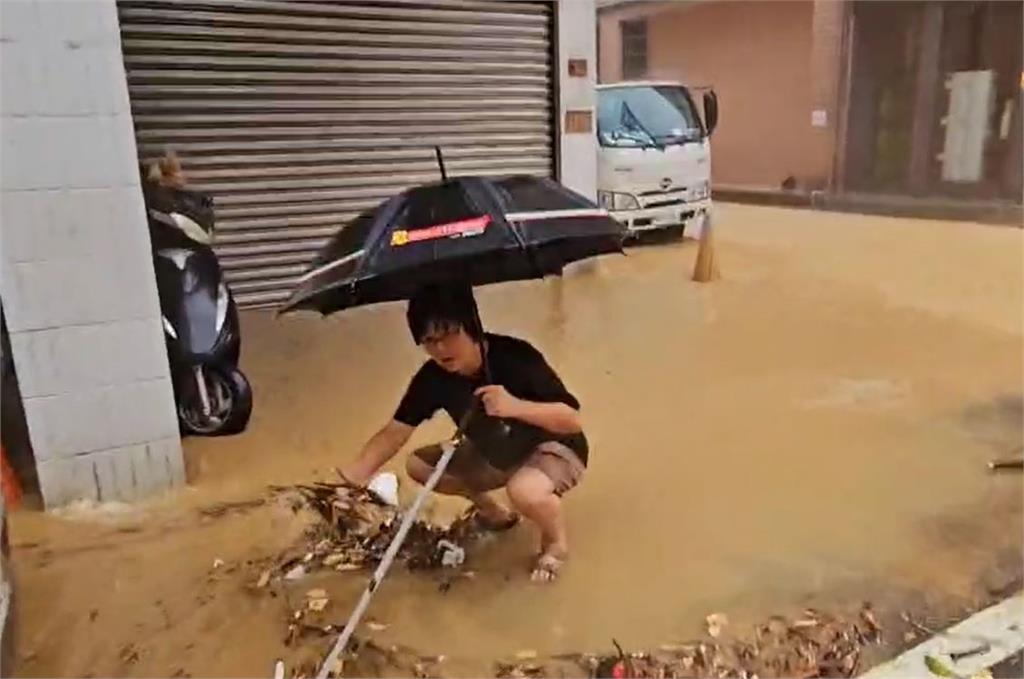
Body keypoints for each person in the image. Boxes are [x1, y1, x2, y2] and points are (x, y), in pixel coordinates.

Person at [339, 284, 588, 583]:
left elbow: (572, 421)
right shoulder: (432, 379)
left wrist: (515, 406)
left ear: (471, 328)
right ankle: (496, 515)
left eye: (449, 336)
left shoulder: (517, 357)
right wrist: (352, 478)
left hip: (554, 446)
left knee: (525, 491)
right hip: (497, 452)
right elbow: (394, 433)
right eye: (430, 341)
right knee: (420, 466)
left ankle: (555, 543)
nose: (441, 350)